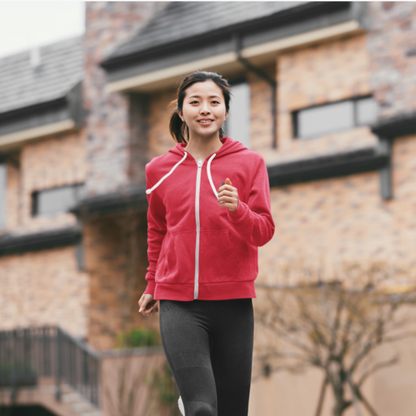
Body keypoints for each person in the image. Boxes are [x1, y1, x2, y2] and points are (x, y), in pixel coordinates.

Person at [138, 71, 275, 416]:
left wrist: (237, 210)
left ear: (226, 111)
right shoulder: (159, 170)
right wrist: (153, 283)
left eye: (214, 102)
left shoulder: (249, 163)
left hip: (234, 303)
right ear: (181, 111)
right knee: (201, 408)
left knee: (231, 412)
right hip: (179, 302)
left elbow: (263, 231)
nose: (205, 109)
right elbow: (158, 229)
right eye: (195, 102)